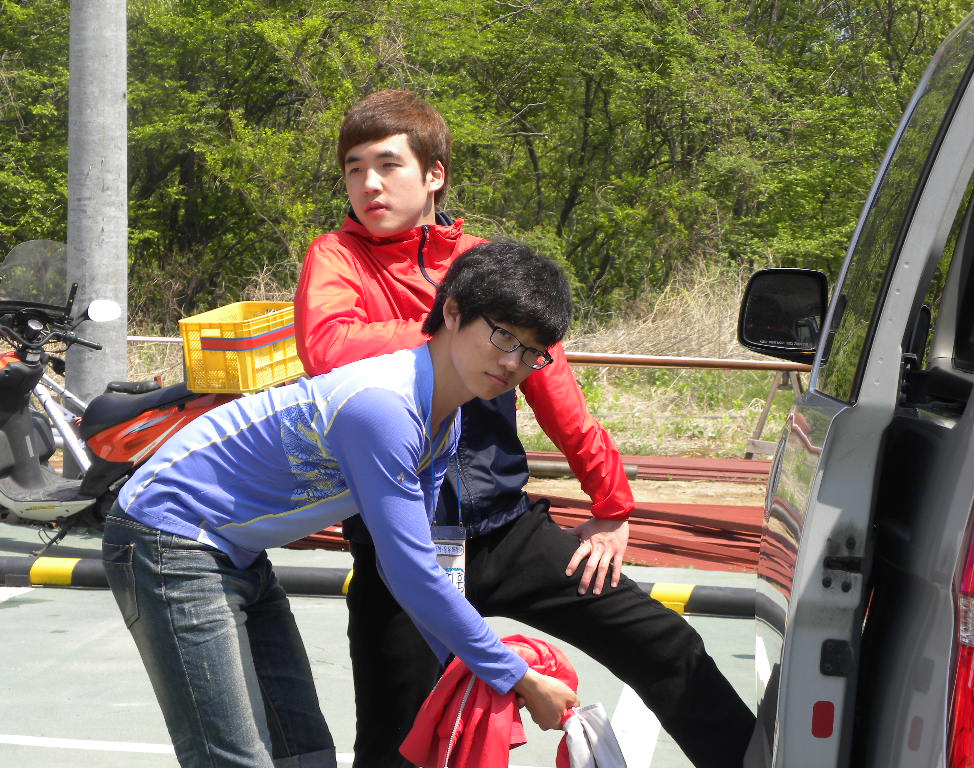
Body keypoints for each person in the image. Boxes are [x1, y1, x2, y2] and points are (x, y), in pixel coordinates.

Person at [294, 89, 755, 768]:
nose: (369, 185)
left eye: (388, 165)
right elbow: (327, 347)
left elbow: (556, 392)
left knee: (667, 646)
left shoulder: (487, 264)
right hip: (401, 545)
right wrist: (453, 330)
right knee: (394, 748)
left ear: (434, 173)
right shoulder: (337, 256)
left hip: (507, 532)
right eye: (354, 169)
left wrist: (612, 506)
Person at [101, 243, 581, 768]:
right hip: (168, 537)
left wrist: (479, 672)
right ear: (452, 312)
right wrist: (513, 674)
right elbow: (412, 573)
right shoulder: (385, 407)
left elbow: (417, 568)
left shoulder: (443, 420)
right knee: (234, 760)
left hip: (237, 551)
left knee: (305, 754)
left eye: (532, 351)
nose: (512, 362)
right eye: (503, 335)